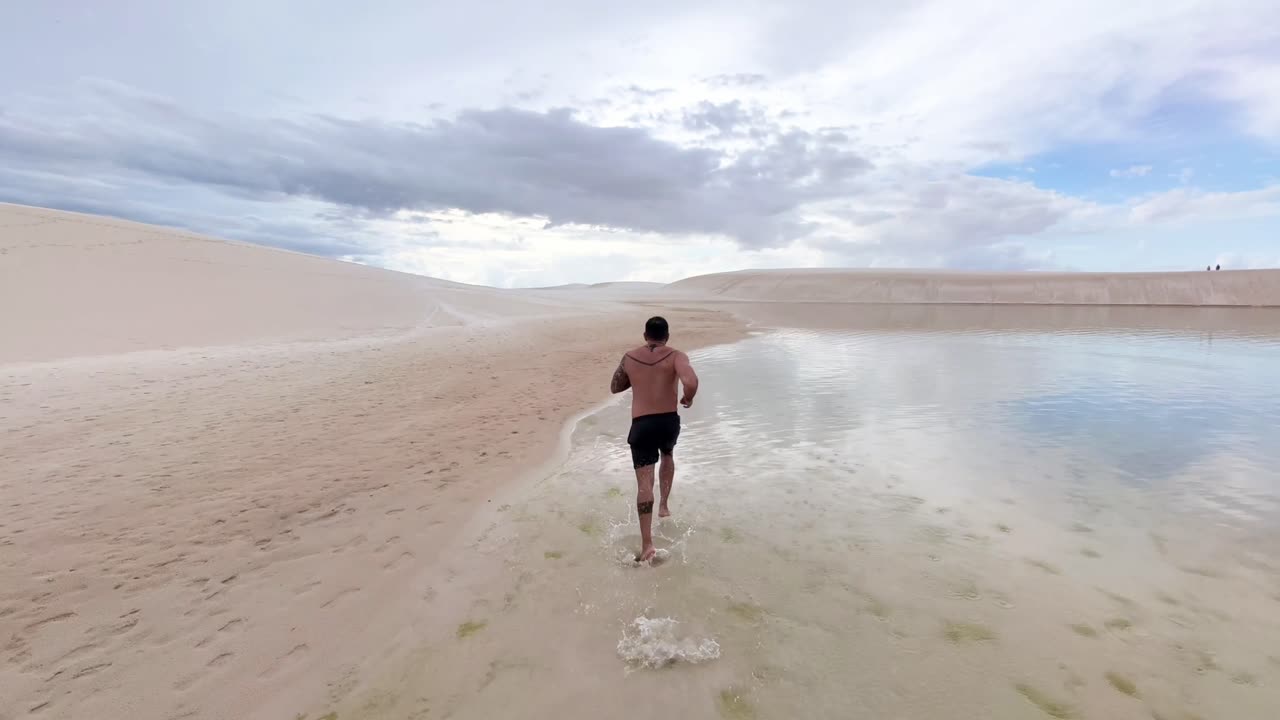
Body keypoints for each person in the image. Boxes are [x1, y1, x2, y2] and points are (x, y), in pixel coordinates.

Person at [609, 316, 699, 563]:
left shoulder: (629, 357)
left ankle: (647, 543)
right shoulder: (676, 355)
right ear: (667, 336)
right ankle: (664, 506)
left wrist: (637, 376)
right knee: (668, 455)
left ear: (644, 335)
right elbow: (690, 381)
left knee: (644, 484)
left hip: (642, 425)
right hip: (668, 421)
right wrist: (688, 398)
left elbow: (615, 387)